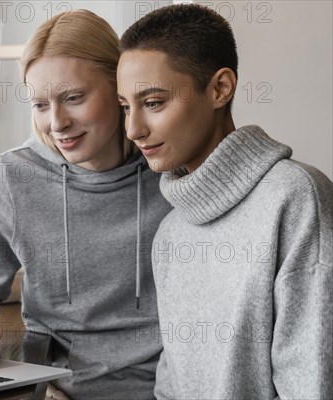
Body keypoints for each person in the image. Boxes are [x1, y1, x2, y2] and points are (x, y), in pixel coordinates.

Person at [0, 9, 172, 399]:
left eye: (73, 98)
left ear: (119, 88)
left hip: (167, 387)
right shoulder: (15, 175)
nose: (56, 122)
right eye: (40, 105)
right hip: (58, 389)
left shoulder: (169, 167)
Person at [117, 4, 333, 398]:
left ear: (220, 88)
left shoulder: (296, 197)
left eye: (153, 103)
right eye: (125, 107)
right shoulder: (171, 231)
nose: (133, 128)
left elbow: (311, 382)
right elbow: (172, 383)